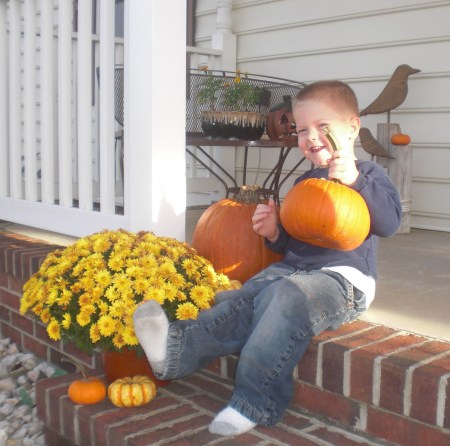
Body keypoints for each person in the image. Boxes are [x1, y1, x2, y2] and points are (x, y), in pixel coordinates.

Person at [133, 80, 402, 437]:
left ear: (352, 127)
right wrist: (276, 232)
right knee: (242, 298)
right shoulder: (307, 181)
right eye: (302, 130)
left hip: (342, 280)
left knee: (284, 298)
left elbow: (390, 221)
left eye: (323, 127)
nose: (311, 137)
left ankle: (254, 402)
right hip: (294, 270)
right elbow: (297, 238)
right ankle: (175, 352)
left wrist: (354, 180)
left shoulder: (368, 174)